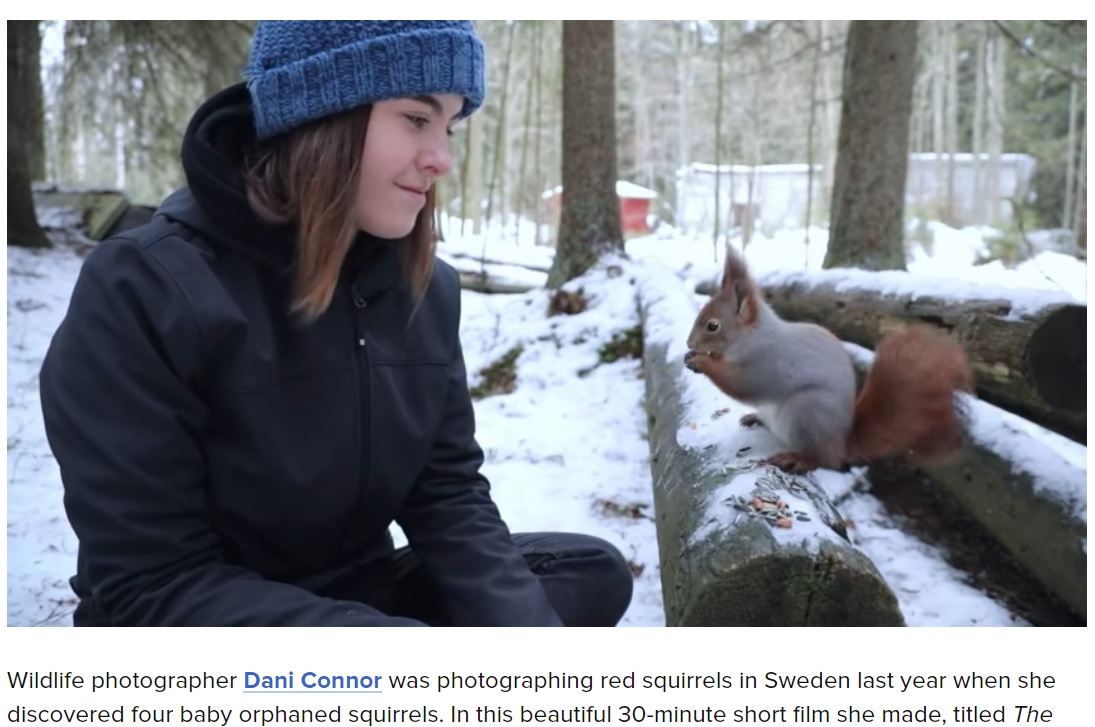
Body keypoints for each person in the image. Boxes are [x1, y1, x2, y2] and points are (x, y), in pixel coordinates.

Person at [39, 20, 634, 627]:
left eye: (450, 127)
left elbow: (446, 494)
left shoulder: (424, 289)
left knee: (585, 572)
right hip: (195, 617)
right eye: (416, 119)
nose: (441, 160)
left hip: (358, 593)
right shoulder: (142, 288)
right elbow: (151, 584)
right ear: (321, 113)